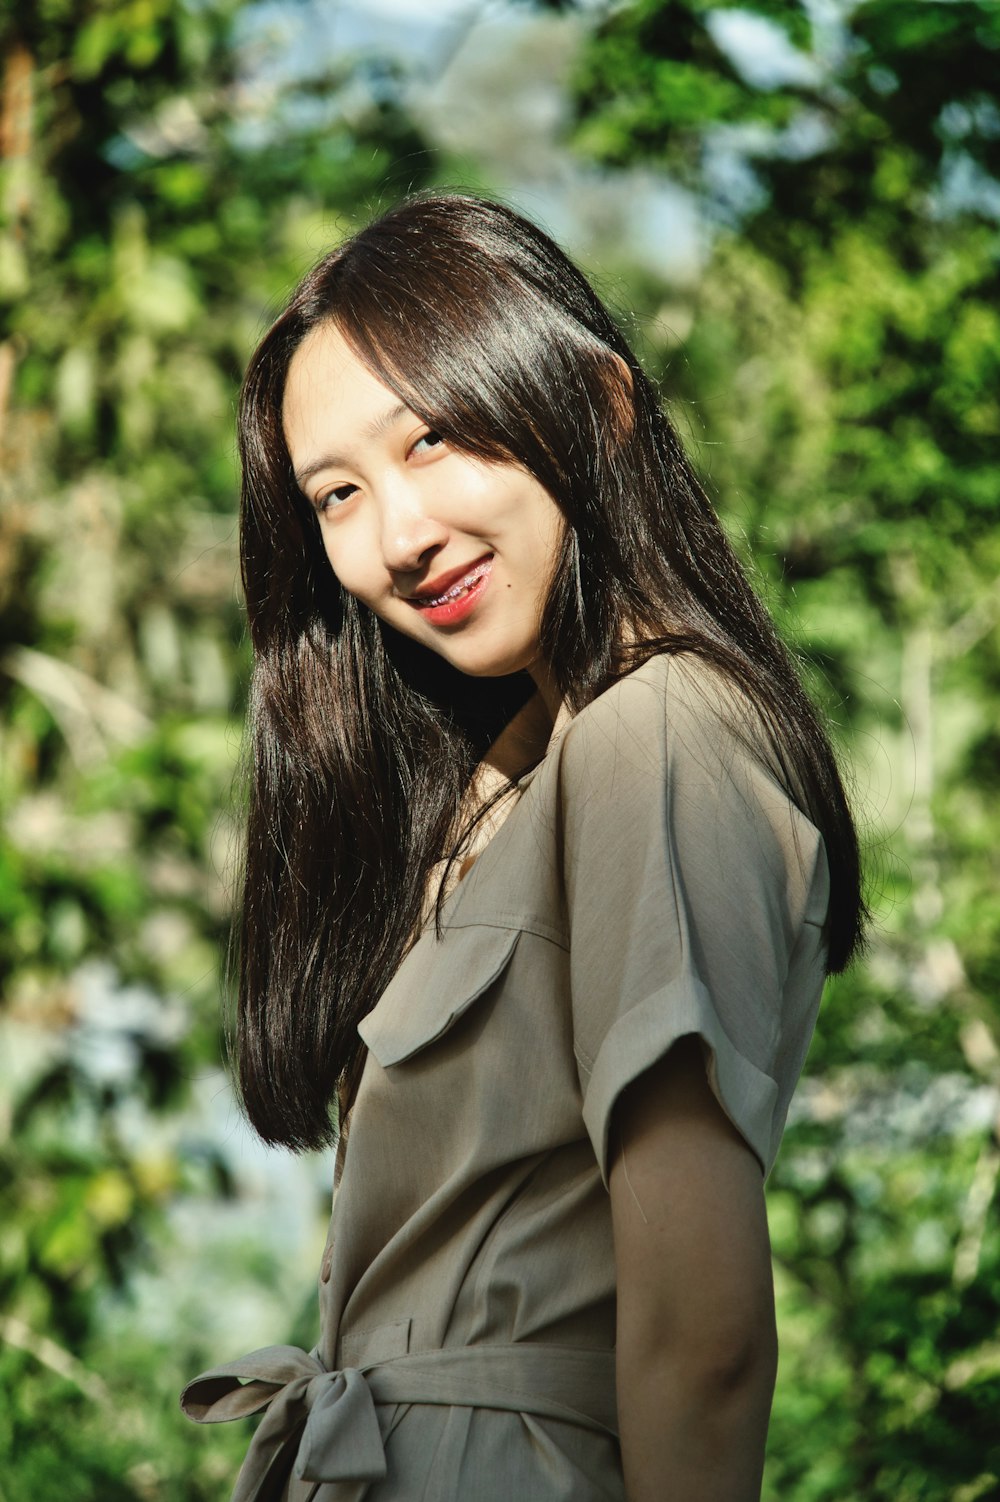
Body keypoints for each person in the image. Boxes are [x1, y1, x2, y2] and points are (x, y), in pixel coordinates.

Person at [180, 193, 866, 1501]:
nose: (395, 536)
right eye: (337, 492)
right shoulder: (515, 784)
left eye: (432, 438)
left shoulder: (656, 730)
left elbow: (701, 1334)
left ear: (597, 405)